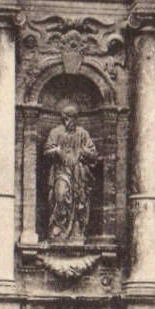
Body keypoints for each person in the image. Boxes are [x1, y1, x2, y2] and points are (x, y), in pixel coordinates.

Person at [44, 103, 98, 243]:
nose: (69, 121)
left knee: (79, 200)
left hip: (78, 174)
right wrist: (56, 151)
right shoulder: (55, 132)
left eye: (72, 118)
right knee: (60, 196)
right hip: (61, 171)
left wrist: (83, 152)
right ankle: (58, 228)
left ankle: (76, 230)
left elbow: (93, 154)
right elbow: (46, 151)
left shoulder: (82, 134)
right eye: (67, 118)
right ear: (63, 118)